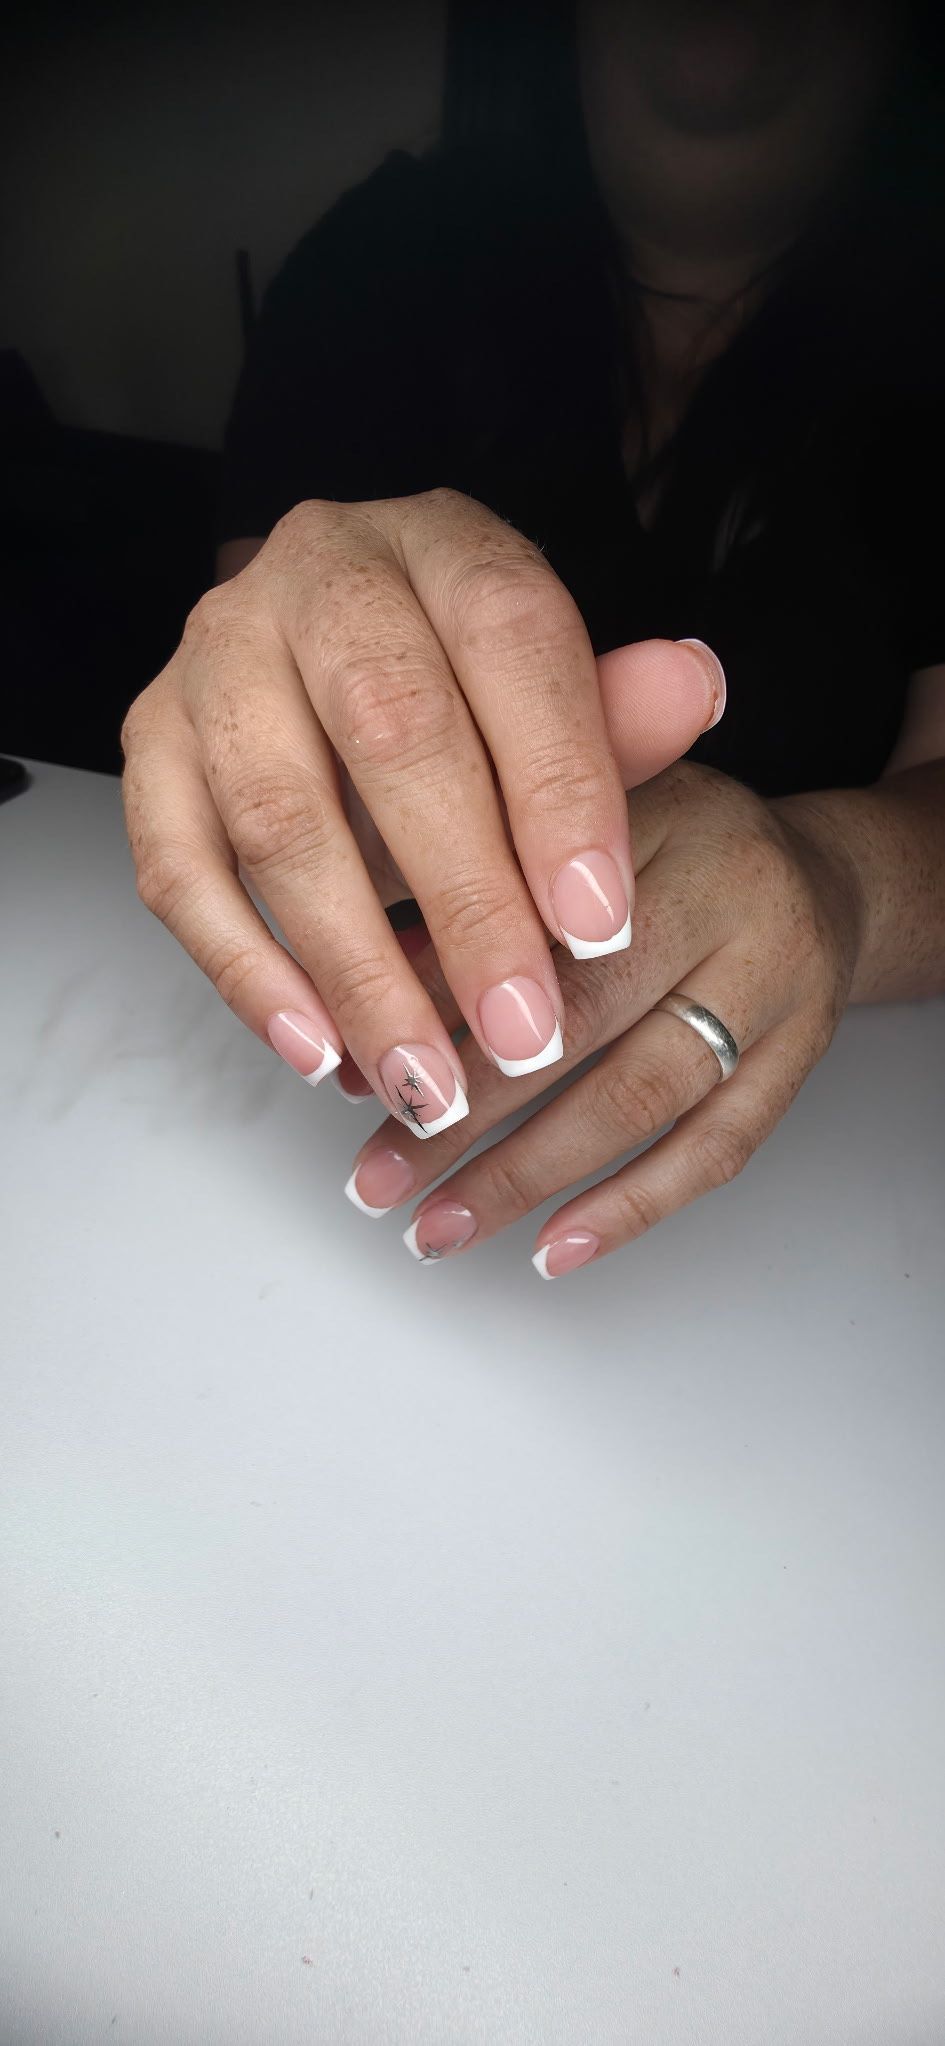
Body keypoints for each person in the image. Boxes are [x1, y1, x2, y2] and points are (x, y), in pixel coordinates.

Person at [121, 0, 945, 1276]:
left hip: (855, 1208)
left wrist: (833, 876)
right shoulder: (386, 257)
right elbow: (267, 712)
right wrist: (265, 708)